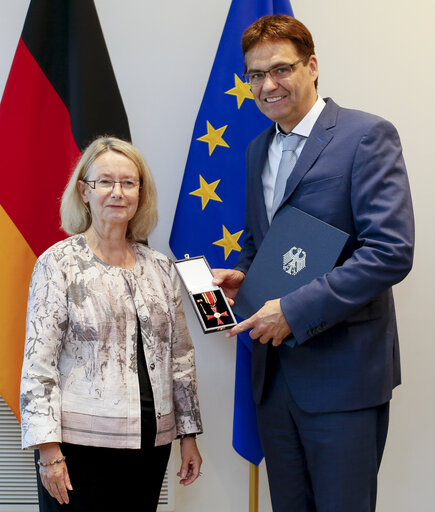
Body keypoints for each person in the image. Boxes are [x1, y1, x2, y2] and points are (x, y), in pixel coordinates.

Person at [213, 15, 414, 512]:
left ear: (313, 66)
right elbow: (265, 244)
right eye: (255, 75)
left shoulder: (366, 135)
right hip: (274, 379)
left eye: (280, 69)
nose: (267, 85)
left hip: (343, 378)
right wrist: (247, 275)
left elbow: (390, 251)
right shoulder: (257, 148)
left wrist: (295, 311)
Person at [20, 136, 203, 511]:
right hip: (77, 450)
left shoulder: (160, 268)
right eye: (105, 181)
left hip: (151, 446)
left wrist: (188, 435)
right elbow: (39, 365)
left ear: (141, 193)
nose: (117, 192)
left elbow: (180, 358)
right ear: (84, 191)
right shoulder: (58, 264)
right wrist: (48, 451)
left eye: (128, 182)